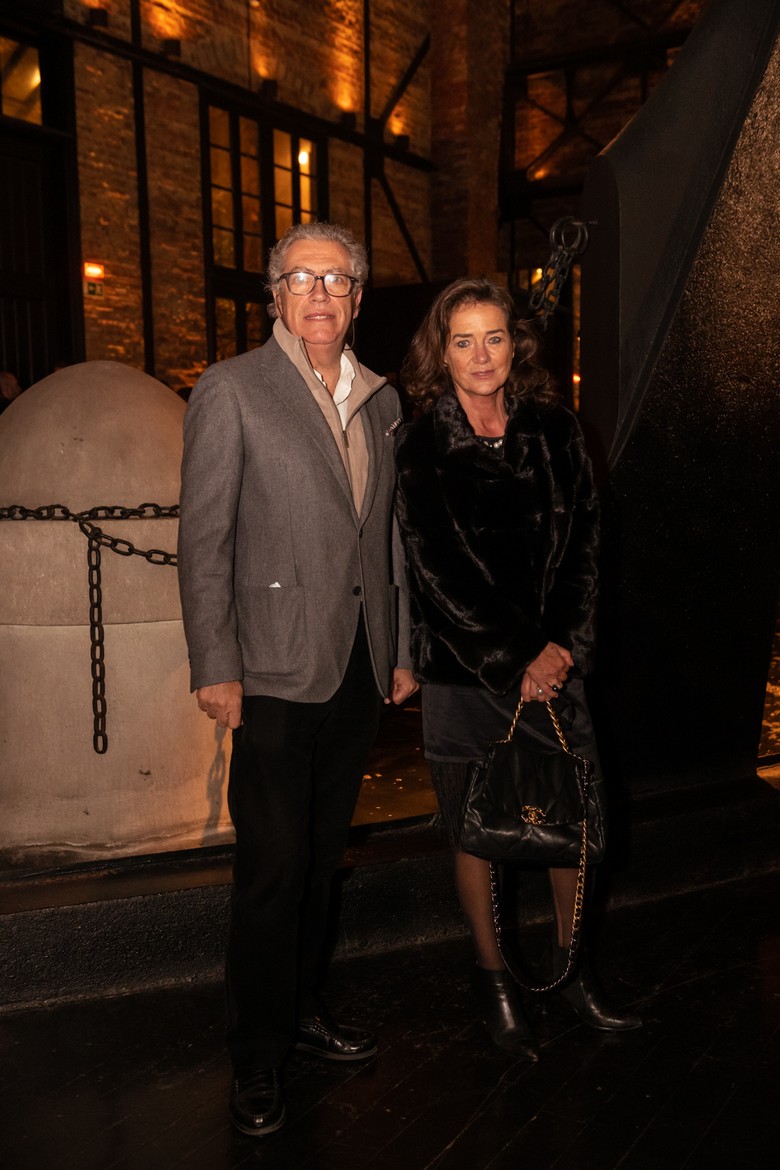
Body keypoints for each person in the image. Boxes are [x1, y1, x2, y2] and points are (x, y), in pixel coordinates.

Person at [178, 222, 417, 1136]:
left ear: (357, 298)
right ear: (275, 294)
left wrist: (400, 648)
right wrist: (216, 664)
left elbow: (388, 535)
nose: (320, 293)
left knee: (322, 860)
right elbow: (204, 538)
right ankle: (256, 1056)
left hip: (357, 662)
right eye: (303, 277)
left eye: (338, 278)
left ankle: (304, 1011)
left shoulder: (382, 399)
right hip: (271, 669)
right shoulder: (232, 388)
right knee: (273, 868)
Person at [394, 277, 641, 1060]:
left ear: (516, 345)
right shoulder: (420, 444)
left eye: (493, 337)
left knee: (572, 823)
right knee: (478, 829)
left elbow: (586, 548)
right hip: (467, 675)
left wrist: (561, 647)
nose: (480, 355)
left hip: (557, 669)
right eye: (462, 340)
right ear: (442, 353)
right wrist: (518, 654)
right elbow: (437, 571)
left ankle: (572, 971)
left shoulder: (557, 430)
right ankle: (495, 981)